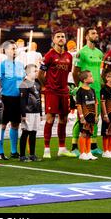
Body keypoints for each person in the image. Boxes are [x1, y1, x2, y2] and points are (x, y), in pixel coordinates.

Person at [39, 31, 76, 159]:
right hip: (52, 92)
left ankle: (62, 148)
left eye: (63, 36)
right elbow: (40, 75)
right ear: (54, 40)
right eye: (58, 37)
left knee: (64, 119)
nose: (61, 38)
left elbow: (68, 73)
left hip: (64, 92)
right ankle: (47, 149)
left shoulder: (69, 56)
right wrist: (47, 86)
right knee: (50, 119)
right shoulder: (49, 55)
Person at [71, 28, 103, 156]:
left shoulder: (100, 53)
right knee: (81, 118)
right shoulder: (81, 53)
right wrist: (78, 86)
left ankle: (93, 145)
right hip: (84, 89)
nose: (96, 35)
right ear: (86, 36)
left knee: (95, 116)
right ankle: (74, 146)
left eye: (96, 33)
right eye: (93, 33)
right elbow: (75, 71)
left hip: (96, 89)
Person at [0, 40, 25, 160]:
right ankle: (0, 152)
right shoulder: (1, 65)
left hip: (17, 98)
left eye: (15, 48)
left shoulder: (20, 65)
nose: (14, 51)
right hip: (5, 98)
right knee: (2, 125)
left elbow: (23, 81)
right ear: (5, 51)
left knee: (15, 125)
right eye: (12, 49)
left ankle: (14, 151)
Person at [19, 64, 41, 162]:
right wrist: (23, 115)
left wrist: (40, 113)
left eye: (37, 71)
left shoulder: (37, 84)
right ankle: (22, 155)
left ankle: (32, 154)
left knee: (33, 133)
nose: (36, 73)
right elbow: (22, 101)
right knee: (25, 133)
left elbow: (38, 99)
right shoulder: (24, 84)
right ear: (28, 72)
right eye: (34, 71)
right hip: (28, 113)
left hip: (35, 112)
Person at [75, 70, 98, 161]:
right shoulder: (80, 91)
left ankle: (88, 152)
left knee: (89, 134)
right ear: (85, 80)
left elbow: (95, 103)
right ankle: (82, 153)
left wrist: (96, 115)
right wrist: (81, 117)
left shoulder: (92, 90)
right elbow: (79, 105)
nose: (92, 78)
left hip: (92, 115)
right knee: (84, 133)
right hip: (84, 116)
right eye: (90, 76)